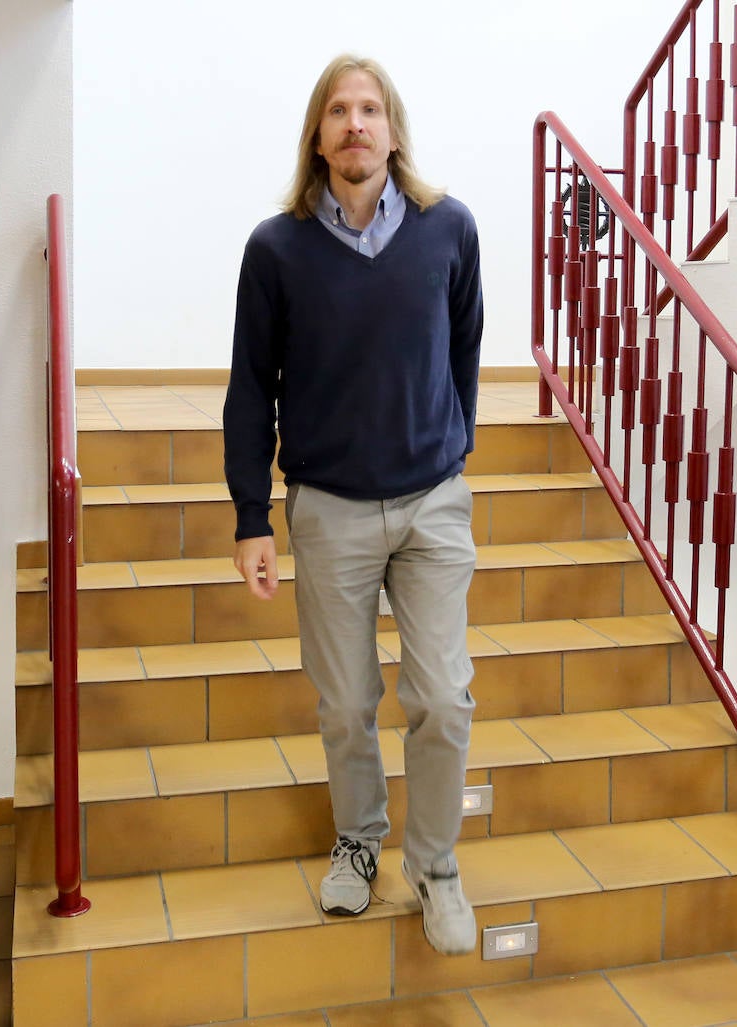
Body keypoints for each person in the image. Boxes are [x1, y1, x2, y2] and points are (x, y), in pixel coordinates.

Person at [222, 53, 483, 956]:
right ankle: (358, 842)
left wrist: (452, 447)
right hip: (328, 508)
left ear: (394, 130)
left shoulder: (450, 230)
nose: (356, 124)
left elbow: (464, 351)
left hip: (433, 505)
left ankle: (437, 867)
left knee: (444, 698)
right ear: (318, 136)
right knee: (346, 702)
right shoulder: (278, 247)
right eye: (339, 111)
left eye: (371, 109)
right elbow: (251, 388)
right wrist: (252, 515)